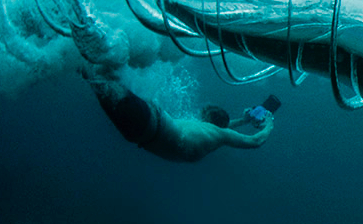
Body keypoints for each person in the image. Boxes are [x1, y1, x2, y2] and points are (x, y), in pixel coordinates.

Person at [83, 64, 275, 162]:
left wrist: (269, 124)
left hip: (149, 120)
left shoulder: (216, 133)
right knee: (93, 75)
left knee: (100, 72)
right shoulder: (213, 135)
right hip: (137, 133)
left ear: (208, 120)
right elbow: (223, 127)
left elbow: (255, 141)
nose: (199, 116)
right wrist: (243, 120)